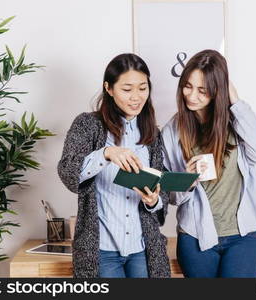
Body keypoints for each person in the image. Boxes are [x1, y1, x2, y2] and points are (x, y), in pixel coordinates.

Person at [161, 49, 256, 278]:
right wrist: (186, 180)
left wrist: (236, 101)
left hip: (244, 236)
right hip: (196, 236)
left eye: (202, 90)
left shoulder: (236, 121)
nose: (192, 95)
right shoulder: (172, 130)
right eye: (188, 86)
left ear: (217, 91)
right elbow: (171, 196)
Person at [57, 53, 170, 278]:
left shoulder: (152, 133)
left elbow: (161, 186)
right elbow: (68, 171)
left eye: (143, 88)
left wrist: (154, 200)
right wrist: (106, 153)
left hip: (143, 247)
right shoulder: (87, 125)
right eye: (127, 89)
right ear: (108, 88)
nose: (136, 97)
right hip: (102, 250)